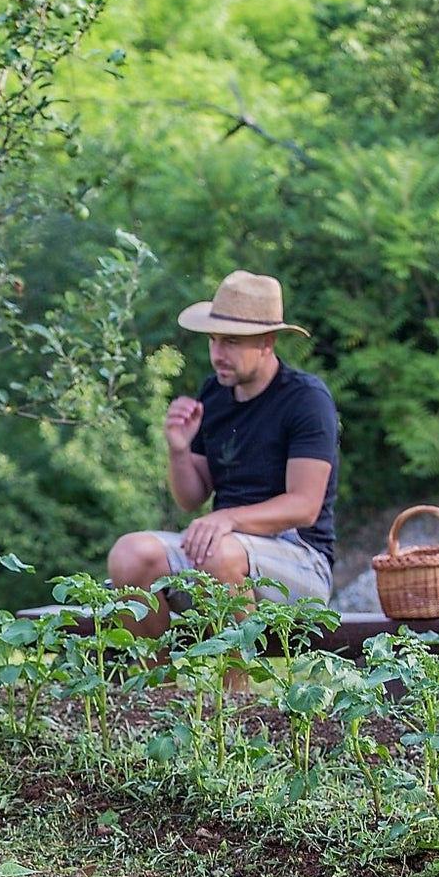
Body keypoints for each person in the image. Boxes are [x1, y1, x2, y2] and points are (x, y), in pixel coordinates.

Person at [107, 269, 339, 639]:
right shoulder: (214, 394)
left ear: (267, 341)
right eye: (213, 340)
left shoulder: (306, 399)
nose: (217, 355)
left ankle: (234, 695)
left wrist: (228, 519)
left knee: (218, 553)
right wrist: (179, 449)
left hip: (299, 560)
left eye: (231, 342)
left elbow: (304, 506)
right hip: (222, 554)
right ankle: (159, 693)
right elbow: (191, 498)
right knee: (130, 553)